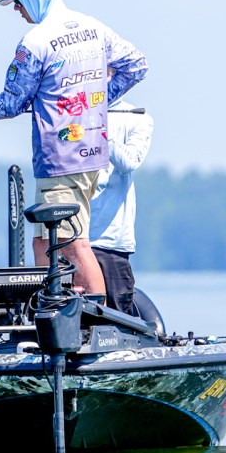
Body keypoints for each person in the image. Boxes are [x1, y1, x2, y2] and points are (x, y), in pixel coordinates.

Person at [0, 0, 148, 295]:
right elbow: (136, 66)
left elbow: (10, 104)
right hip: (92, 153)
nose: (16, 8)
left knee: (74, 244)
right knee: (43, 244)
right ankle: (51, 308)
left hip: (62, 160)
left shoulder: (34, 43)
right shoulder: (93, 28)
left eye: (18, 0)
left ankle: (98, 315)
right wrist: (93, 103)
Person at [89, 97, 154, 313]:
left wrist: (98, 128)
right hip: (72, 238)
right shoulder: (71, 110)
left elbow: (129, 162)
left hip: (110, 240)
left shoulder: (137, 117)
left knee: (117, 316)